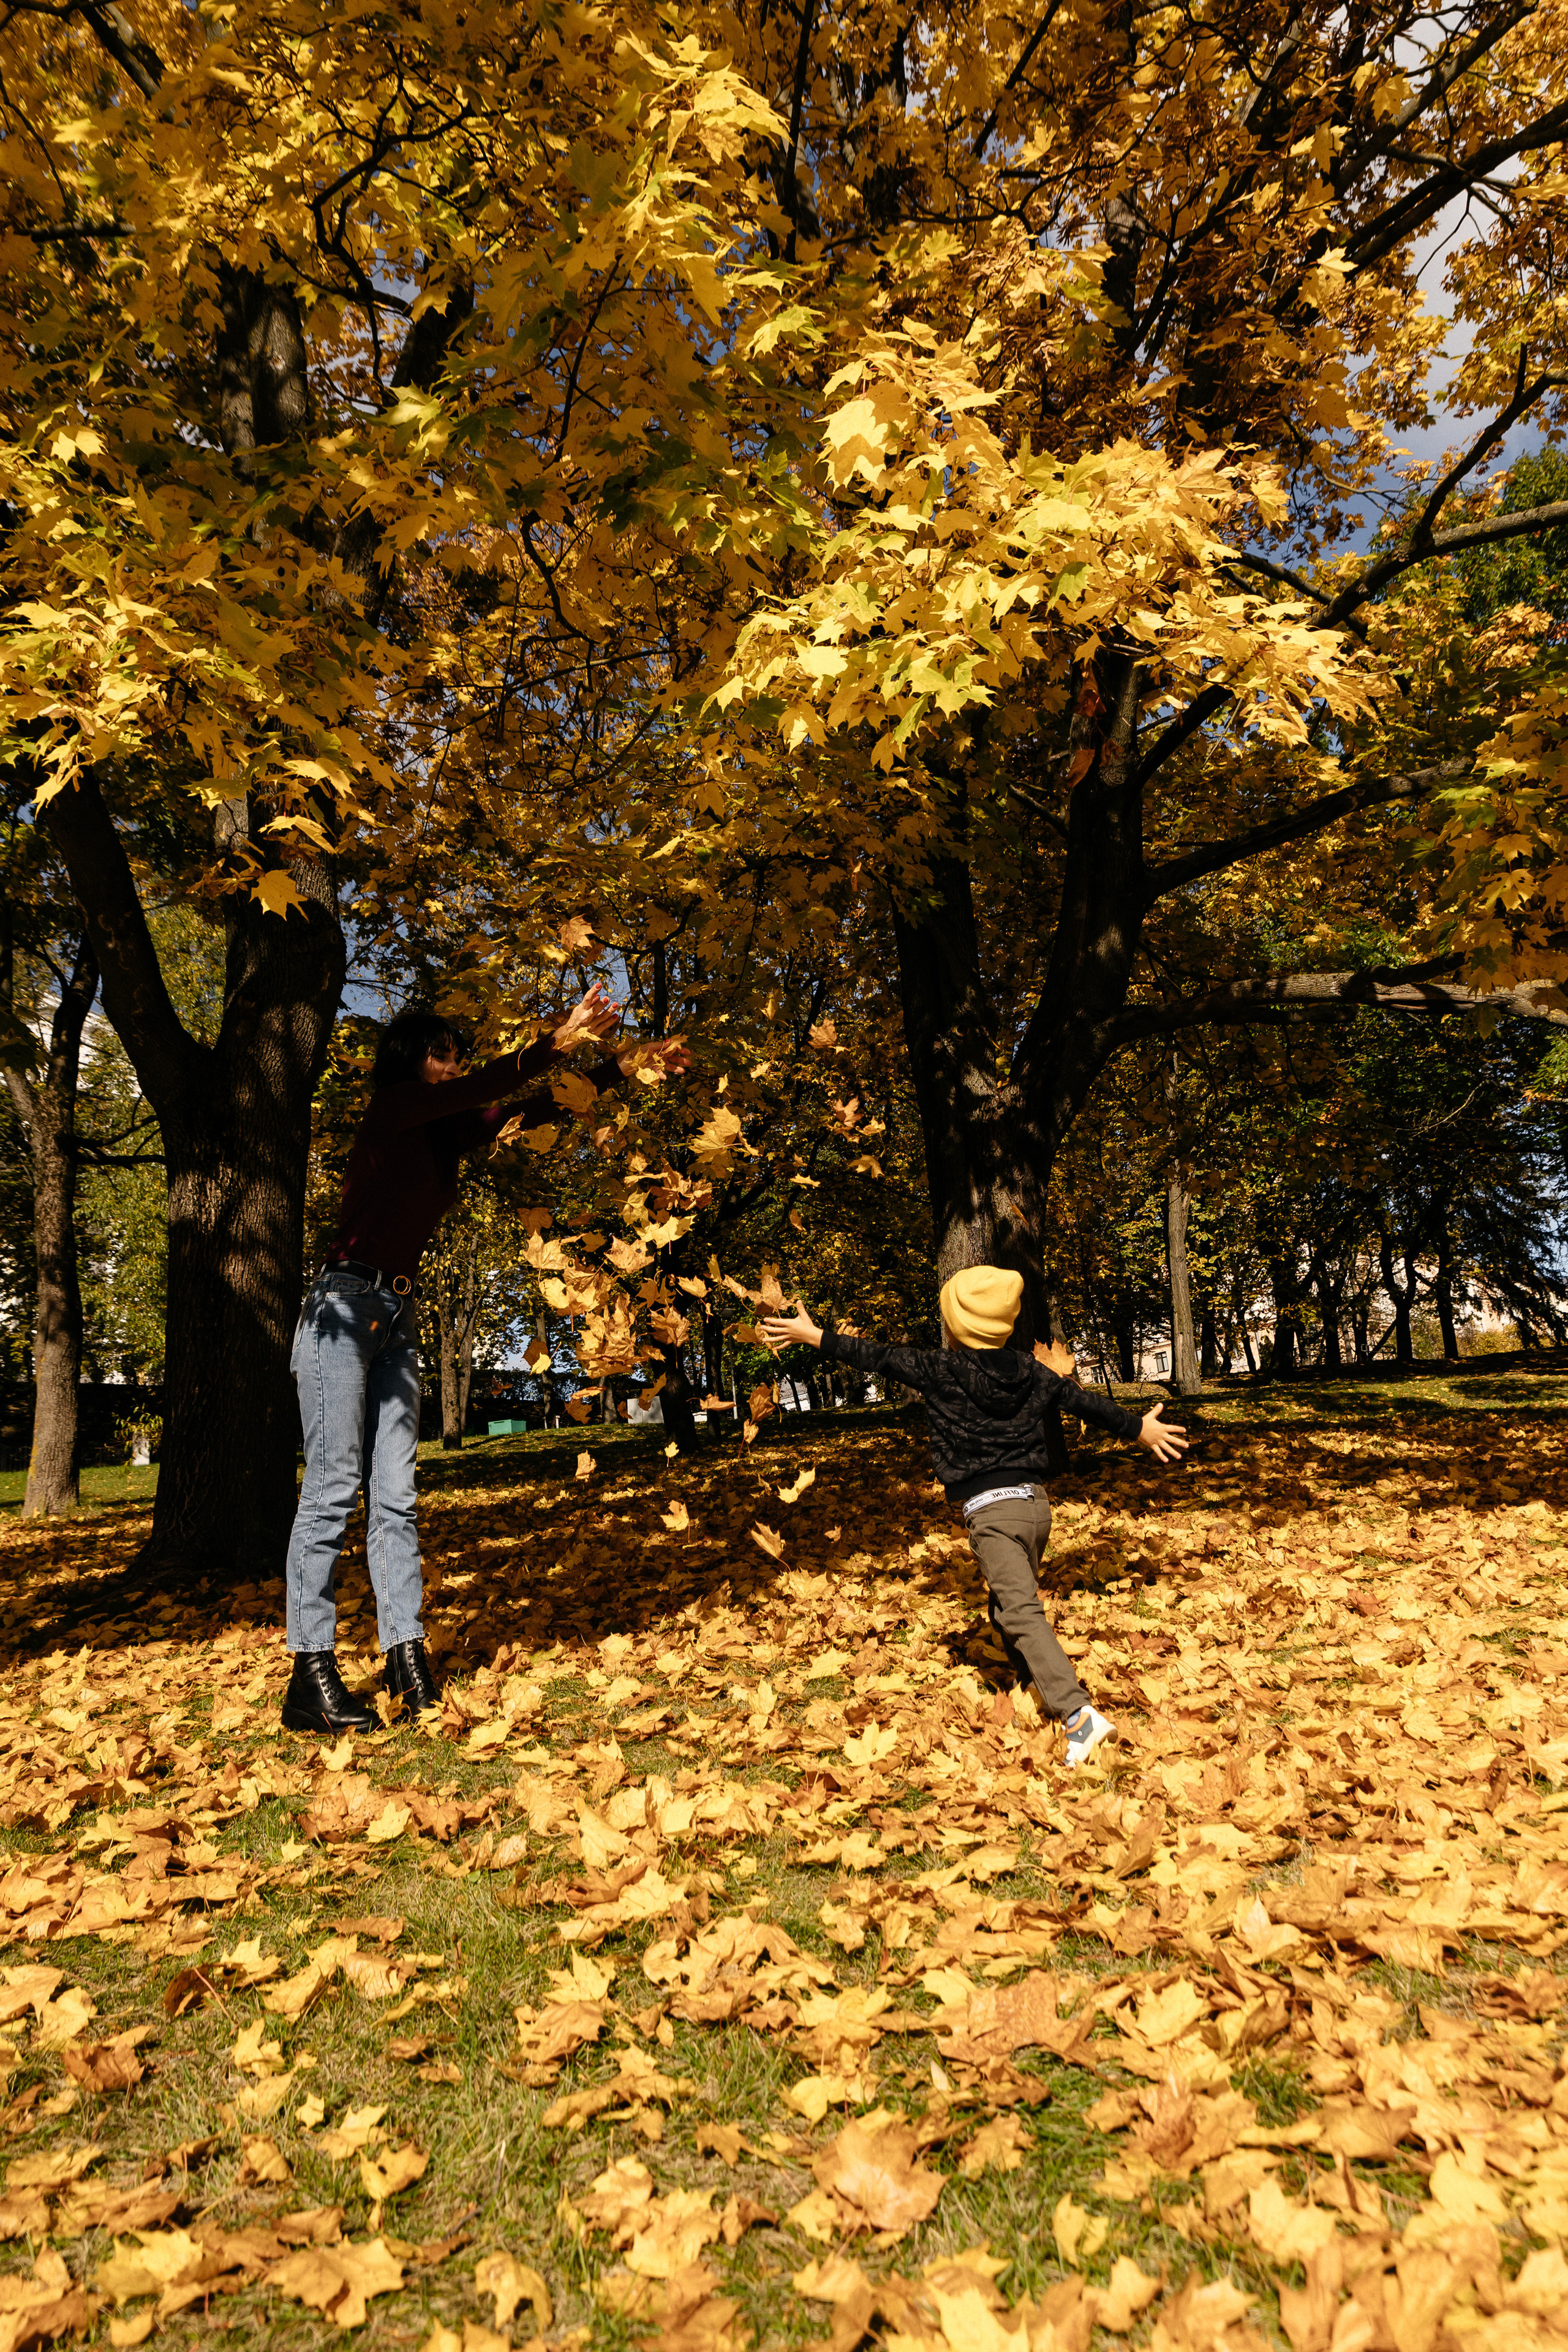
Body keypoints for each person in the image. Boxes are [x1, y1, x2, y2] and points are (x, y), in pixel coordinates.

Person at [281, 984, 685, 1735]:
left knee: (396, 1497)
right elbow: (485, 1088)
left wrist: (623, 1068)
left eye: (456, 1057)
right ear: (410, 1061)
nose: (452, 1067)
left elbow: (532, 1110)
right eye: (442, 1055)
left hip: (393, 1317)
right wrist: (551, 1044)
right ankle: (310, 1677)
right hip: (341, 1310)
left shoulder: (439, 1134)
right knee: (334, 1489)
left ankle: (408, 1661)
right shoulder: (395, 1108)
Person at [760, 1266, 1188, 1768]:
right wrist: (1139, 1428)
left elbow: (877, 1357)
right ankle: (1032, 1684)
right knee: (1007, 1606)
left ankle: (1078, 1716)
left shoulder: (940, 1369)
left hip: (991, 1513)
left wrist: (814, 1336)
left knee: (1021, 1611)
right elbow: (1084, 1403)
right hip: (1034, 1509)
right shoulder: (1034, 1373)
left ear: (957, 1323)